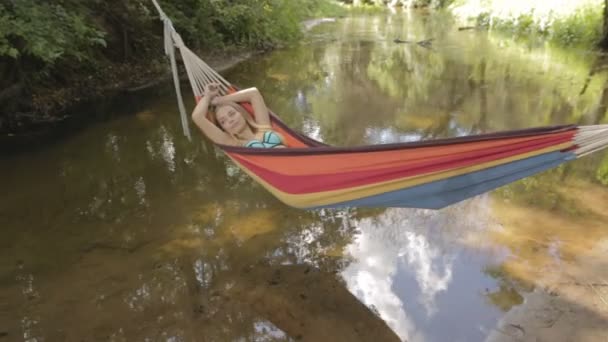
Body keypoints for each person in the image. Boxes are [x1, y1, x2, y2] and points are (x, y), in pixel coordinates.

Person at [191, 83, 286, 148]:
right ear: (224, 129)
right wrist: (207, 96)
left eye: (232, 114)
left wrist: (219, 100)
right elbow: (197, 117)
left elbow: (253, 93)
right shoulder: (233, 144)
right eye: (223, 121)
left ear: (242, 113)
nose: (230, 120)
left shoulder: (263, 126)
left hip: (298, 164)